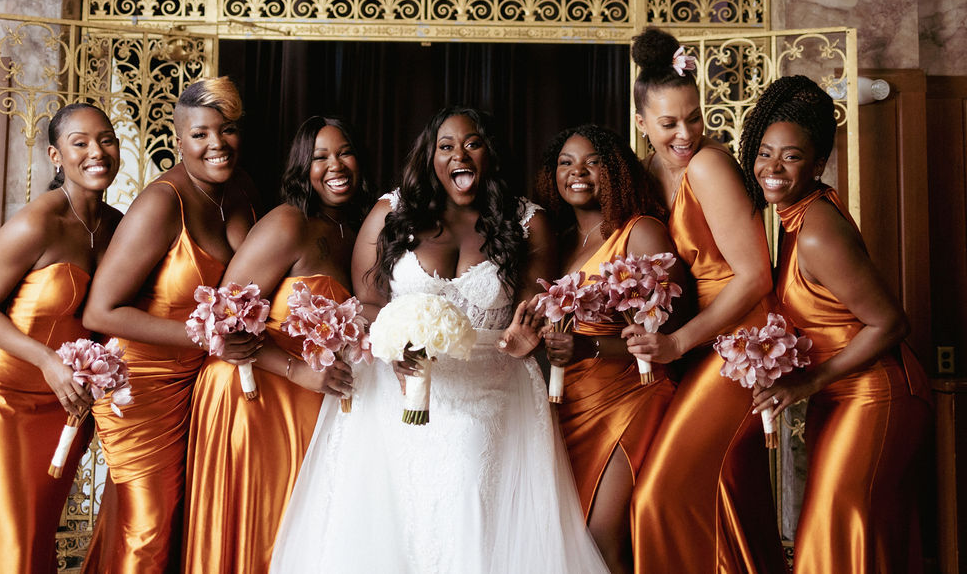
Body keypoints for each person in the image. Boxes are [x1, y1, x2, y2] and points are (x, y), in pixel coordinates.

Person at [270, 108, 609, 573]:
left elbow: (534, 304)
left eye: (471, 143)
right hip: (394, 388)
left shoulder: (528, 222)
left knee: (467, 495)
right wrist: (392, 344)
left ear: (489, 153)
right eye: (445, 146)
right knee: (391, 516)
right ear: (430, 157)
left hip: (491, 384)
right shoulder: (391, 213)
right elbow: (367, 304)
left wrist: (524, 335)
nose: (459, 154)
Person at [737, 75, 932, 573]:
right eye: (764, 152)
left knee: (833, 529)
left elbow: (891, 323)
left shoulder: (818, 231)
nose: (772, 167)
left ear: (818, 163)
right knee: (846, 533)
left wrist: (810, 380)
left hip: (876, 396)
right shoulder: (794, 217)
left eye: (792, 156)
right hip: (842, 394)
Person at [80, 77, 259, 574]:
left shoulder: (241, 188)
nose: (216, 145)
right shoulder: (162, 202)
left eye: (226, 131)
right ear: (179, 139)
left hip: (198, 384)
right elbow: (101, 311)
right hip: (140, 386)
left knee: (183, 524)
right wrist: (209, 337)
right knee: (149, 527)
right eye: (201, 134)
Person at [623, 28, 786, 573]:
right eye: (669, 123)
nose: (686, 133)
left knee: (657, 499)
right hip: (697, 341)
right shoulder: (647, 175)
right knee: (724, 494)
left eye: (694, 116)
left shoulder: (707, 167)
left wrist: (675, 342)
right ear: (643, 122)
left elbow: (755, 277)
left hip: (737, 341)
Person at [182, 115, 371, 573]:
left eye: (344, 152)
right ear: (301, 167)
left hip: (311, 400)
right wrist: (295, 370)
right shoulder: (289, 223)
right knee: (259, 532)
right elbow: (221, 319)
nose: (335, 166)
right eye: (320, 157)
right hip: (253, 393)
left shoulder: (359, 230)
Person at [0, 104, 122, 574]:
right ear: (55, 155)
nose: (96, 152)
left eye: (106, 139)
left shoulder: (117, 226)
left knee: (33, 536)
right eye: (79, 143)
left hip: (64, 403)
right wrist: (47, 360)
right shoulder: (36, 223)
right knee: (11, 541)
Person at [533, 125, 686, 573]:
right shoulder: (557, 244)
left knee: (602, 535)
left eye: (592, 162)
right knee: (571, 536)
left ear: (615, 170)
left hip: (630, 398)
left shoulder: (640, 233)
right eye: (565, 162)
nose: (577, 172)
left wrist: (591, 348)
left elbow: (668, 333)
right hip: (568, 402)